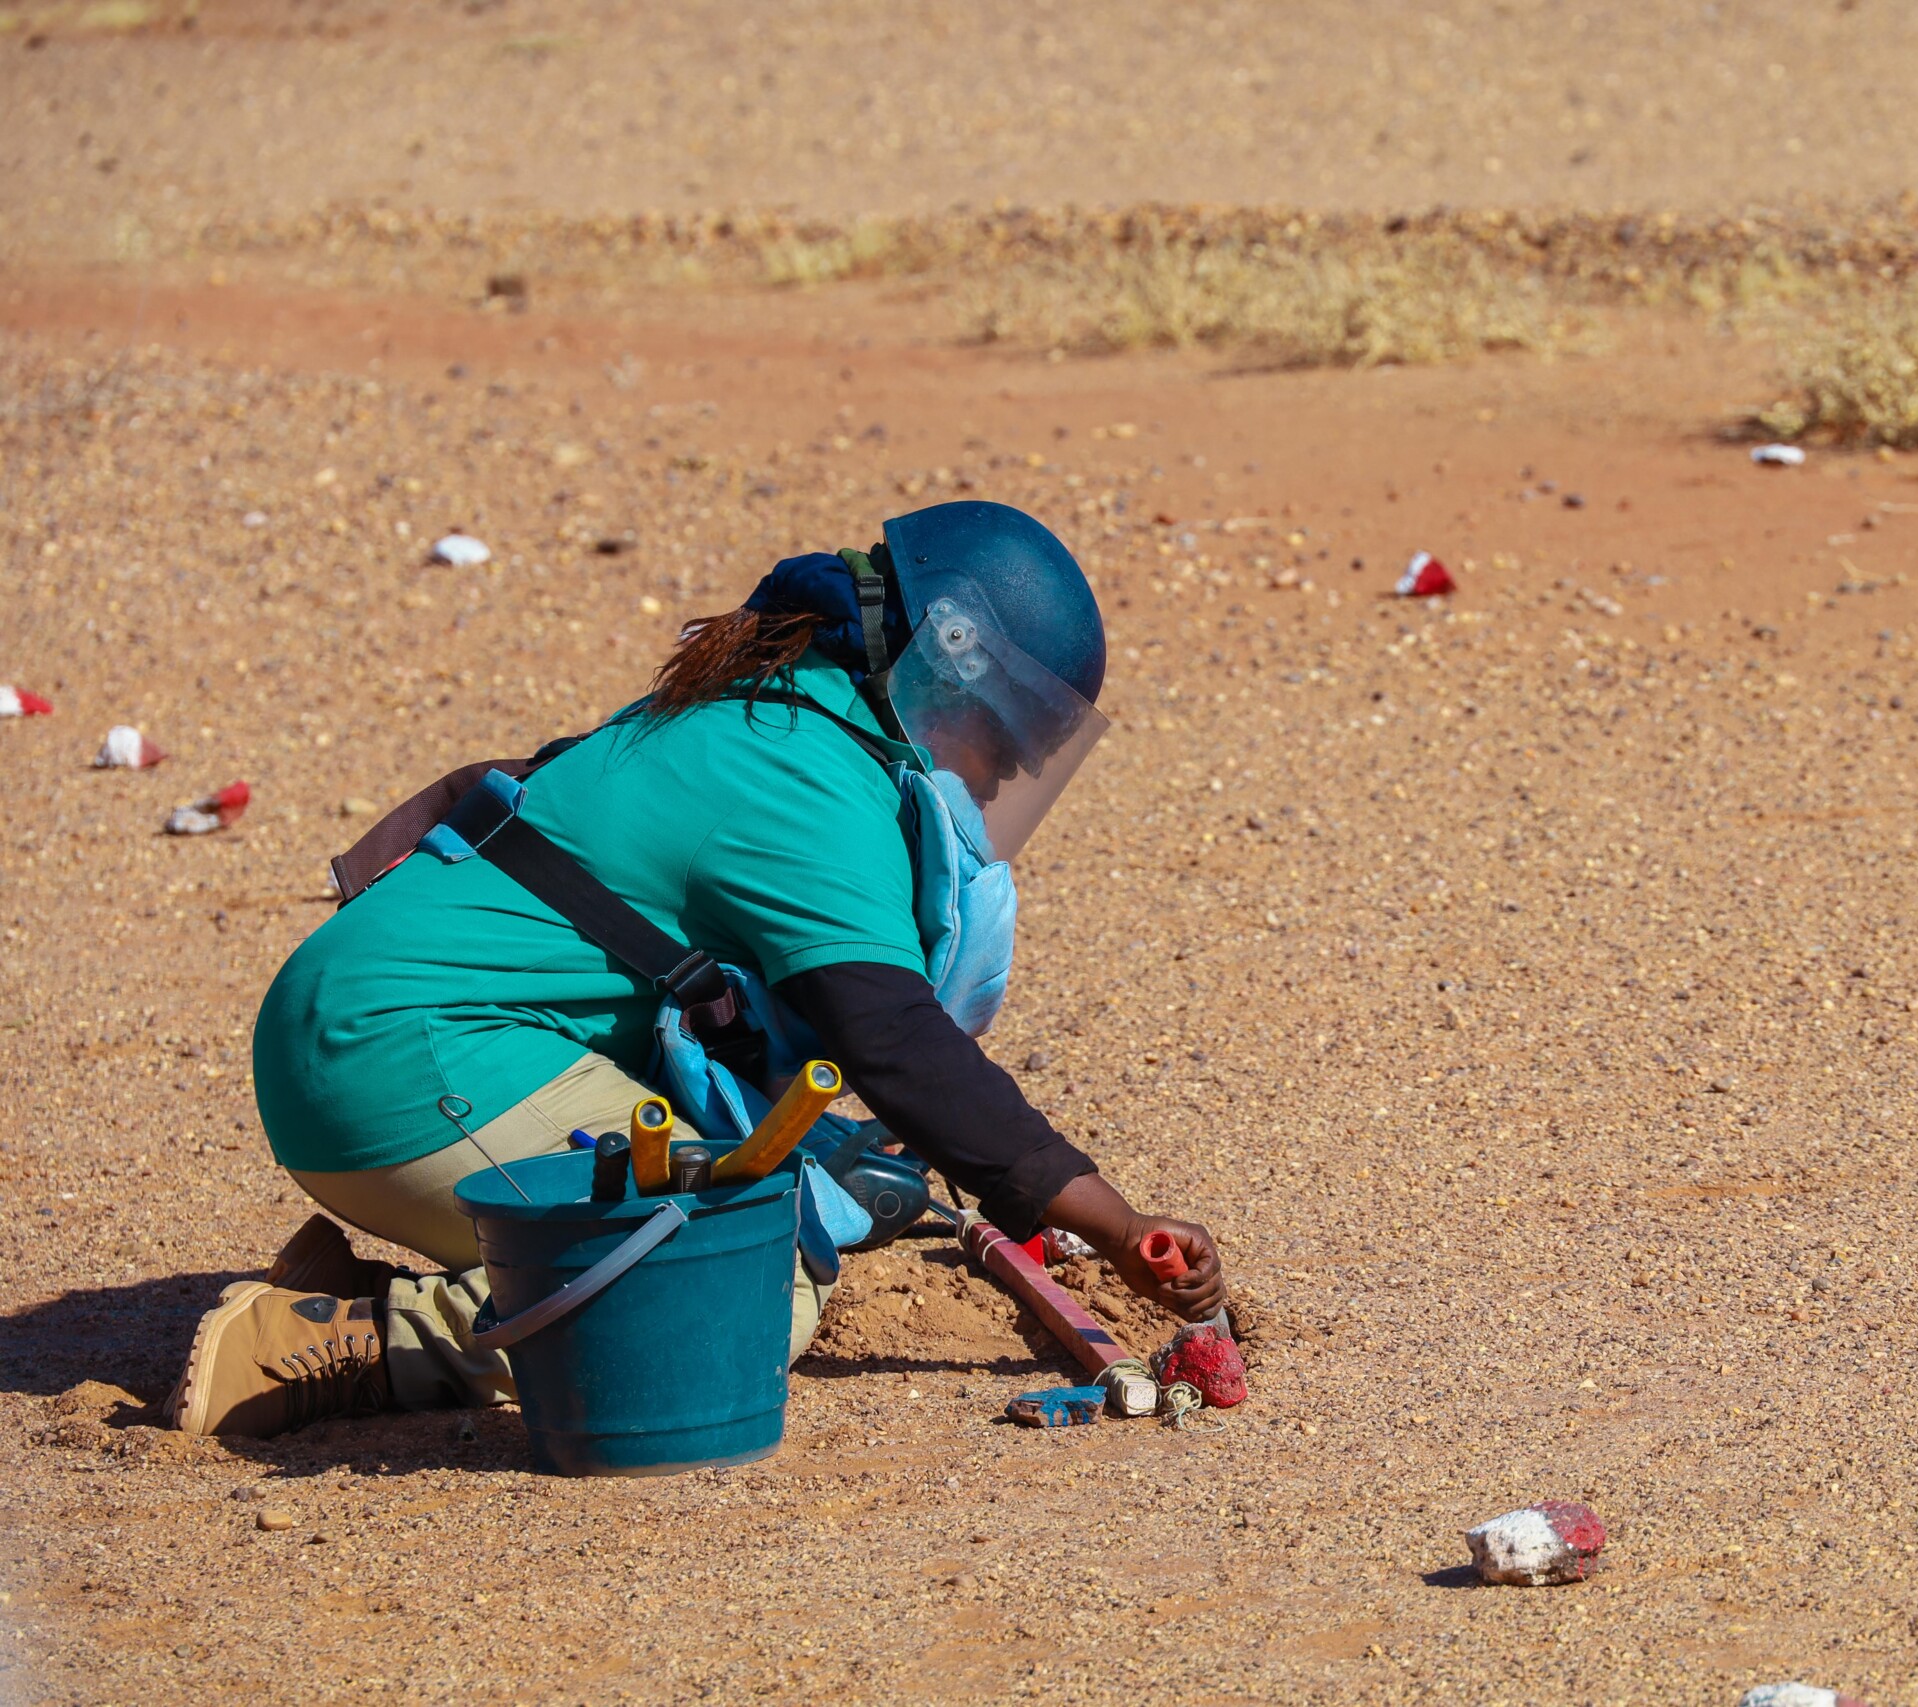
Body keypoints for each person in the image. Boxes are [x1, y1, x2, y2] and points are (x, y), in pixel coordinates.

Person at [168, 501, 1227, 1437]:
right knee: (746, 1283)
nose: (993, 777)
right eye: (996, 745)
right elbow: (895, 1041)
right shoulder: (811, 783)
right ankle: (311, 1350)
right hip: (405, 1060)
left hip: (365, 1037)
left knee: (743, 1200)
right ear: (943, 668)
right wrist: (1120, 1225)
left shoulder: (767, 712)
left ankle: (356, 1288)